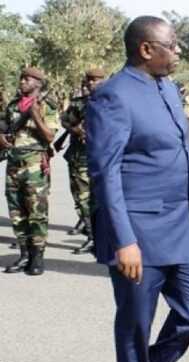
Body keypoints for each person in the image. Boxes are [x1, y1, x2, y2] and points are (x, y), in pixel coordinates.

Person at [86, 16, 189, 362]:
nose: (178, 51)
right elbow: (105, 174)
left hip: (181, 225)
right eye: (172, 45)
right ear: (146, 49)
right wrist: (124, 241)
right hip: (139, 235)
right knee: (135, 326)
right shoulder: (113, 95)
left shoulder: (168, 88)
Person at [1, 67, 58, 275]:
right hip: (13, 164)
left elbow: (50, 136)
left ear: (38, 84)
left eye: (28, 79)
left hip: (35, 164)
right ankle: (24, 253)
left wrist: (36, 116)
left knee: (36, 213)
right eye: (22, 77)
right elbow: (6, 128)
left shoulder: (46, 106)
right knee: (17, 212)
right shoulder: (13, 105)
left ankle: (37, 257)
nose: (23, 81)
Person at [61, 68, 106, 255]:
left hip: (104, 158)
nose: (91, 83)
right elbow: (64, 121)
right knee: (82, 199)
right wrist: (76, 130)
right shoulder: (79, 104)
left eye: (96, 80)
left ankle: (104, 237)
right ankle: (92, 236)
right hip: (80, 158)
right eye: (89, 80)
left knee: (104, 199)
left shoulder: (112, 101)